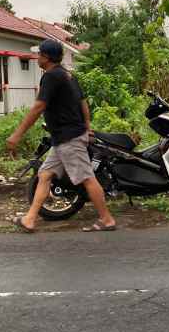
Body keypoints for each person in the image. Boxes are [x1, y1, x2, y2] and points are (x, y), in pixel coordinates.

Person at [6, 38, 116, 233]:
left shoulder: (51, 76)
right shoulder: (68, 75)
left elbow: (39, 106)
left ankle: (107, 220)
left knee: (87, 178)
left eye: (39, 54)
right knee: (45, 174)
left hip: (69, 138)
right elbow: (83, 102)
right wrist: (87, 127)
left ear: (46, 57)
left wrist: (17, 134)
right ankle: (30, 219)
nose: (37, 57)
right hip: (65, 138)